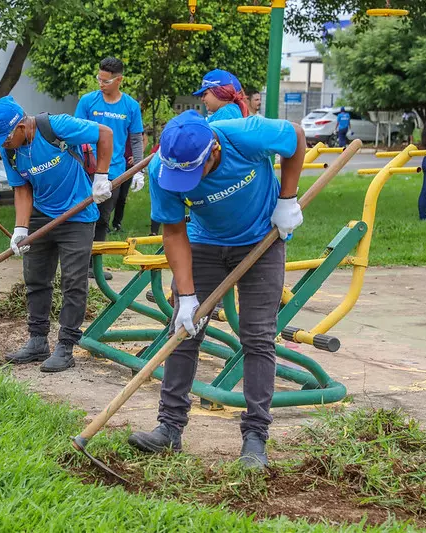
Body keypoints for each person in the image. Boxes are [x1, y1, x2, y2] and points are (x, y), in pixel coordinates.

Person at [127, 110, 307, 469]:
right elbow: (174, 231)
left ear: (213, 150)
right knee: (184, 329)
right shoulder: (163, 170)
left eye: (192, 174)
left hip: (262, 241)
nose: (185, 183)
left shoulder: (247, 135)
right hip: (204, 242)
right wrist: (187, 295)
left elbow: (297, 138)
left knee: (257, 336)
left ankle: (255, 436)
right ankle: (169, 428)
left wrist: (287, 199)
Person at [0, 96, 114, 372]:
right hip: (41, 216)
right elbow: (22, 188)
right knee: (36, 280)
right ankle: (37, 340)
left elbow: (105, 133)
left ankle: (66, 346)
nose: (2, 145)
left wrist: (102, 176)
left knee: (73, 282)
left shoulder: (56, 127)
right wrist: (21, 228)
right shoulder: (11, 151)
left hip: (77, 215)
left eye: (5, 137)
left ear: (21, 126)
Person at [75, 57, 144, 279]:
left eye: (105, 80)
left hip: (114, 172)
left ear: (119, 80)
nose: (101, 84)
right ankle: (78, 263)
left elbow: (135, 139)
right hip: (87, 169)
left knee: (103, 218)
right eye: (99, 79)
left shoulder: (131, 107)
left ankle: (94, 266)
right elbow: (75, 132)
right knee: (83, 215)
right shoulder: (88, 102)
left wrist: (139, 170)